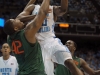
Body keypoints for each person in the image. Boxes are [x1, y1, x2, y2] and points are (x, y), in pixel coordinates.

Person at [16, 0, 84, 75]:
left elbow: (63, 9)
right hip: (37, 45)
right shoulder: (32, 7)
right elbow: (18, 19)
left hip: (51, 41)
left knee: (69, 62)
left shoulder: (52, 8)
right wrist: (38, 16)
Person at [3, 0, 50, 75]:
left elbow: (20, 18)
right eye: (15, 20)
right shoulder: (27, 33)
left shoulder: (9, 38)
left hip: (22, 72)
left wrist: (34, 15)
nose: (17, 19)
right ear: (15, 28)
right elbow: (43, 13)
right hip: (35, 72)